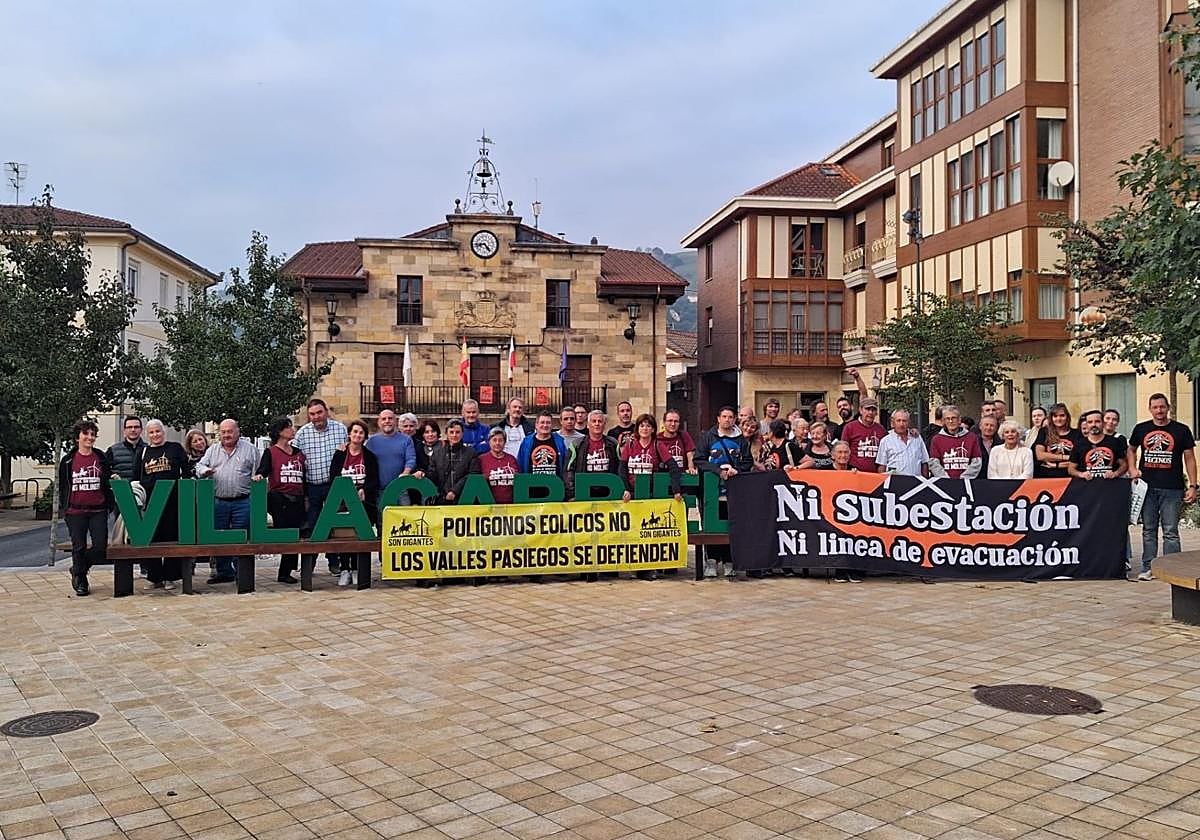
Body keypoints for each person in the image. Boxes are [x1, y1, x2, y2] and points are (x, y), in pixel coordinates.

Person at [1128, 393, 1197, 581]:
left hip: (1172, 488)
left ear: (1168, 408)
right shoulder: (1141, 428)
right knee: (1148, 530)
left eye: (1162, 407)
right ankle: (1148, 567)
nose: (1159, 410)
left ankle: (1172, 570)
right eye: (1155, 407)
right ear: (1150, 409)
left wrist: (1193, 485)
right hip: (1146, 488)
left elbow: (1190, 458)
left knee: (1171, 531)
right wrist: (1132, 468)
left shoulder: (1181, 430)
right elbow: (1131, 449)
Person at [194, 419, 259, 584]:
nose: (226, 435)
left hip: (243, 501)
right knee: (220, 537)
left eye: (229, 431)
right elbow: (199, 466)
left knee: (241, 537)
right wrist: (205, 471)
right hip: (219, 501)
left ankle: (241, 573)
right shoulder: (212, 450)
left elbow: (258, 472)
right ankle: (224, 572)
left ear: (237, 432)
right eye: (223, 432)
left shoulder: (250, 449)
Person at [619, 414, 683, 580]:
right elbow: (622, 469)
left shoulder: (657, 445)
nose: (645, 429)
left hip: (651, 494)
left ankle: (648, 568)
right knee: (633, 532)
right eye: (642, 425)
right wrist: (625, 489)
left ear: (653, 429)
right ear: (637, 428)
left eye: (648, 426)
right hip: (633, 494)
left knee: (648, 533)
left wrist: (676, 490)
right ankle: (636, 566)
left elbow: (673, 467)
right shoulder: (630, 444)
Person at [695, 406, 753, 578]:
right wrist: (717, 471)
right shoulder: (708, 437)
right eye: (724, 416)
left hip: (732, 490)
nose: (727, 420)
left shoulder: (741, 440)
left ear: (735, 419)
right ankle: (711, 561)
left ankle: (729, 561)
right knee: (711, 526)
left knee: (730, 525)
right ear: (718, 419)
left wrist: (737, 470)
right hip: (711, 490)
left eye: (730, 417)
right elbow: (699, 459)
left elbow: (748, 461)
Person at [133, 419, 190, 589]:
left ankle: (171, 577)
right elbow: (136, 476)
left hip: (172, 500)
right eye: (151, 432)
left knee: (171, 537)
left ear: (163, 432)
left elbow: (186, 471)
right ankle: (154, 578)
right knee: (152, 539)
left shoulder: (175, 448)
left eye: (157, 431)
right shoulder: (142, 452)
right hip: (151, 502)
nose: (155, 435)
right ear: (147, 434)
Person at [294, 398, 349, 575]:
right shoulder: (302, 434)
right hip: (313, 486)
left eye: (319, 412)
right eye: (312, 414)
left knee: (333, 524)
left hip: (334, 486)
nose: (316, 417)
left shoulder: (340, 429)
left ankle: (334, 562)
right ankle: (309, 564)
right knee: (313, 525)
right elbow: (296, 460)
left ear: (326, 411)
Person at [60, 419, 113, 596]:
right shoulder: (68, 461)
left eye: (92, 434)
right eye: (86, 434)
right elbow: (63, 486)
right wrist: (64, 507)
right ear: (78, 437)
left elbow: (107, 480)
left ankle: (77, 568)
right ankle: (81, 581)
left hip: (98, 510)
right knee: (79, 547)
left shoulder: (101, 457)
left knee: (100, 547)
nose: (90, 437)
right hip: (75, 511)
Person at [254, 417, 308, 584]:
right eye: (289, 427)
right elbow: (263, 470)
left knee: (297, 533)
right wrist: (259, 476)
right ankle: (284, 572)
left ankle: (288, 570)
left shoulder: (298, 453)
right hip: (280, 498)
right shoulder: (270, 452)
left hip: (298, 498)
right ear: (280, 432)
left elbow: (304, 476)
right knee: (286, 533)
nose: (293, 430)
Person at [328, 420, 380, 586]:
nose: (357, 435)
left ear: (365, 436)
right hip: (342, 500)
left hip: (362, 501)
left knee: (359, 536)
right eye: (355, 431)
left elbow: (374, 479)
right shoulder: (340, 454)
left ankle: (357, 569)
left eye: (361, 432)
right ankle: (345, 569)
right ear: (349, 434)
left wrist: (364, 489)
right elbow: (333, 476)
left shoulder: (369, 456)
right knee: (344, 536)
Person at [366, 408, 416, 503]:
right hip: (379, 490)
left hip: (401, 488)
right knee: (382, 513)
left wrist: (406, 473)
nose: (387, 421)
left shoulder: (406, 440)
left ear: (395, 421)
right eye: (384, 419)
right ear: (379, 422)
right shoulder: (371, 441)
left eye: (390, 418)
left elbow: (411, 459)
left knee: (406, 513)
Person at [1068, 410, 1128, 482]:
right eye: (1090, 422)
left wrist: (1115, 474)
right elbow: (1071, 469)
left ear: (1103, 423)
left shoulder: (1115, 442)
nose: (1094, 425)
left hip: (1110, 484)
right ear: (1086, 425)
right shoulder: (1079, 444)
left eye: (1097, 421)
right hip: (1086, 485)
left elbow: (1124, 465)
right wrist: (1081, 474)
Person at [928, 405, 982, 479]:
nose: (951, 421)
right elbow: (934, 463)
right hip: (944, 481)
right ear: (944, 421)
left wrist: (963, 478)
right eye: (947, 418)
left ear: (959, 420)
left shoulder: (972, 437)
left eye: (953, 418)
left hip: (966, 481)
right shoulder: (936, 439)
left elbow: (976, 461)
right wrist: (946, 479)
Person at [1033, 403, 1081, 479]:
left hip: (1069, 476)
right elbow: (1040, 455)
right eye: (1055, 416)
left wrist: (1056, 465)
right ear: (1051, 418)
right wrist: (1066, 457)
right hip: (1046, 475)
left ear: (1067, 417)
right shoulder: (1044, 432)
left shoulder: (1077, 434)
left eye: (1062, 415)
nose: (1059, 419)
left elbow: (1078, 461)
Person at [875, 409, 929, 476]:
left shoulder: (917, 438)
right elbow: (882, 466)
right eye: (898, 420)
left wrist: (925, 480)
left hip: (916, 481)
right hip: (895, 481)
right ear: (893, 422)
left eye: (904, 421)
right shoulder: (886, 441)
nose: (901, 424)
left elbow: (924, 462)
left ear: (909, 422)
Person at [841, 398, 886, 473]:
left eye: (873, 410)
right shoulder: (849, 427)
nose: (870, 412)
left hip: (875, 474)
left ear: (876, 413)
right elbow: (843, 450)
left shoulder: (881, 429)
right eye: (867, 409)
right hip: (855, 473)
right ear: (861, 410)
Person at [518, 412, 568, 478]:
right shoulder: (526, 442)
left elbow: (566, 465)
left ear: (552, 425)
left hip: (555, 483)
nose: (545, 425)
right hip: (531, 483)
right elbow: (520, 465)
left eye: (548, 423)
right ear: (536, 425)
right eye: (542, 422)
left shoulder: (560, 442)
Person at [440, 419, 480, 503]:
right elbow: (432, 473)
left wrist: (455, 491)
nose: (454, 435)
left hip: (465, 497)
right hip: (442, 499)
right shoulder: (438, 452)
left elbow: (473, 474)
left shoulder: (471, 452)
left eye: (457, 432)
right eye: (451, 432)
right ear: (446, 433)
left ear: (462, 433)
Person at [480, 427, 520, 504]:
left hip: (510, 504)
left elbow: (519, 481)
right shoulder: (481, 459)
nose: (497, 443)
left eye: (500, 440)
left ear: (505, 442)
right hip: (488, 504)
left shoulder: (512, 459)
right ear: (489, 442)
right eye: (494, 440)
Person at [106, 415, 145, 480]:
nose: (133, 430)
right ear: (124, 430)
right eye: (129, 427)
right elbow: (104, 470)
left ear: (141, 430)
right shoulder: (113, 450)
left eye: (136, 427)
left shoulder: (149, 449)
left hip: (143, 486)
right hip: (121, 486)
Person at [657, 409, 696, 474]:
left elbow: (690, 454)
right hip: (663, 475)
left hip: (681, 475)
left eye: (676, 421)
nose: (673, 424)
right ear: (664, 422)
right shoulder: (657, 439)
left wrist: (691, 468)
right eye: (670, 421)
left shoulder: (684, 435)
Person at [413, 421, 447, 496]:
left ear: (437, 433)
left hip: (442, 487)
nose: (430, 434)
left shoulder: (445, 446)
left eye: (433, 431)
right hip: (423, 486)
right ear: (422, 434)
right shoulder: (418, 448)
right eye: (426, 432)